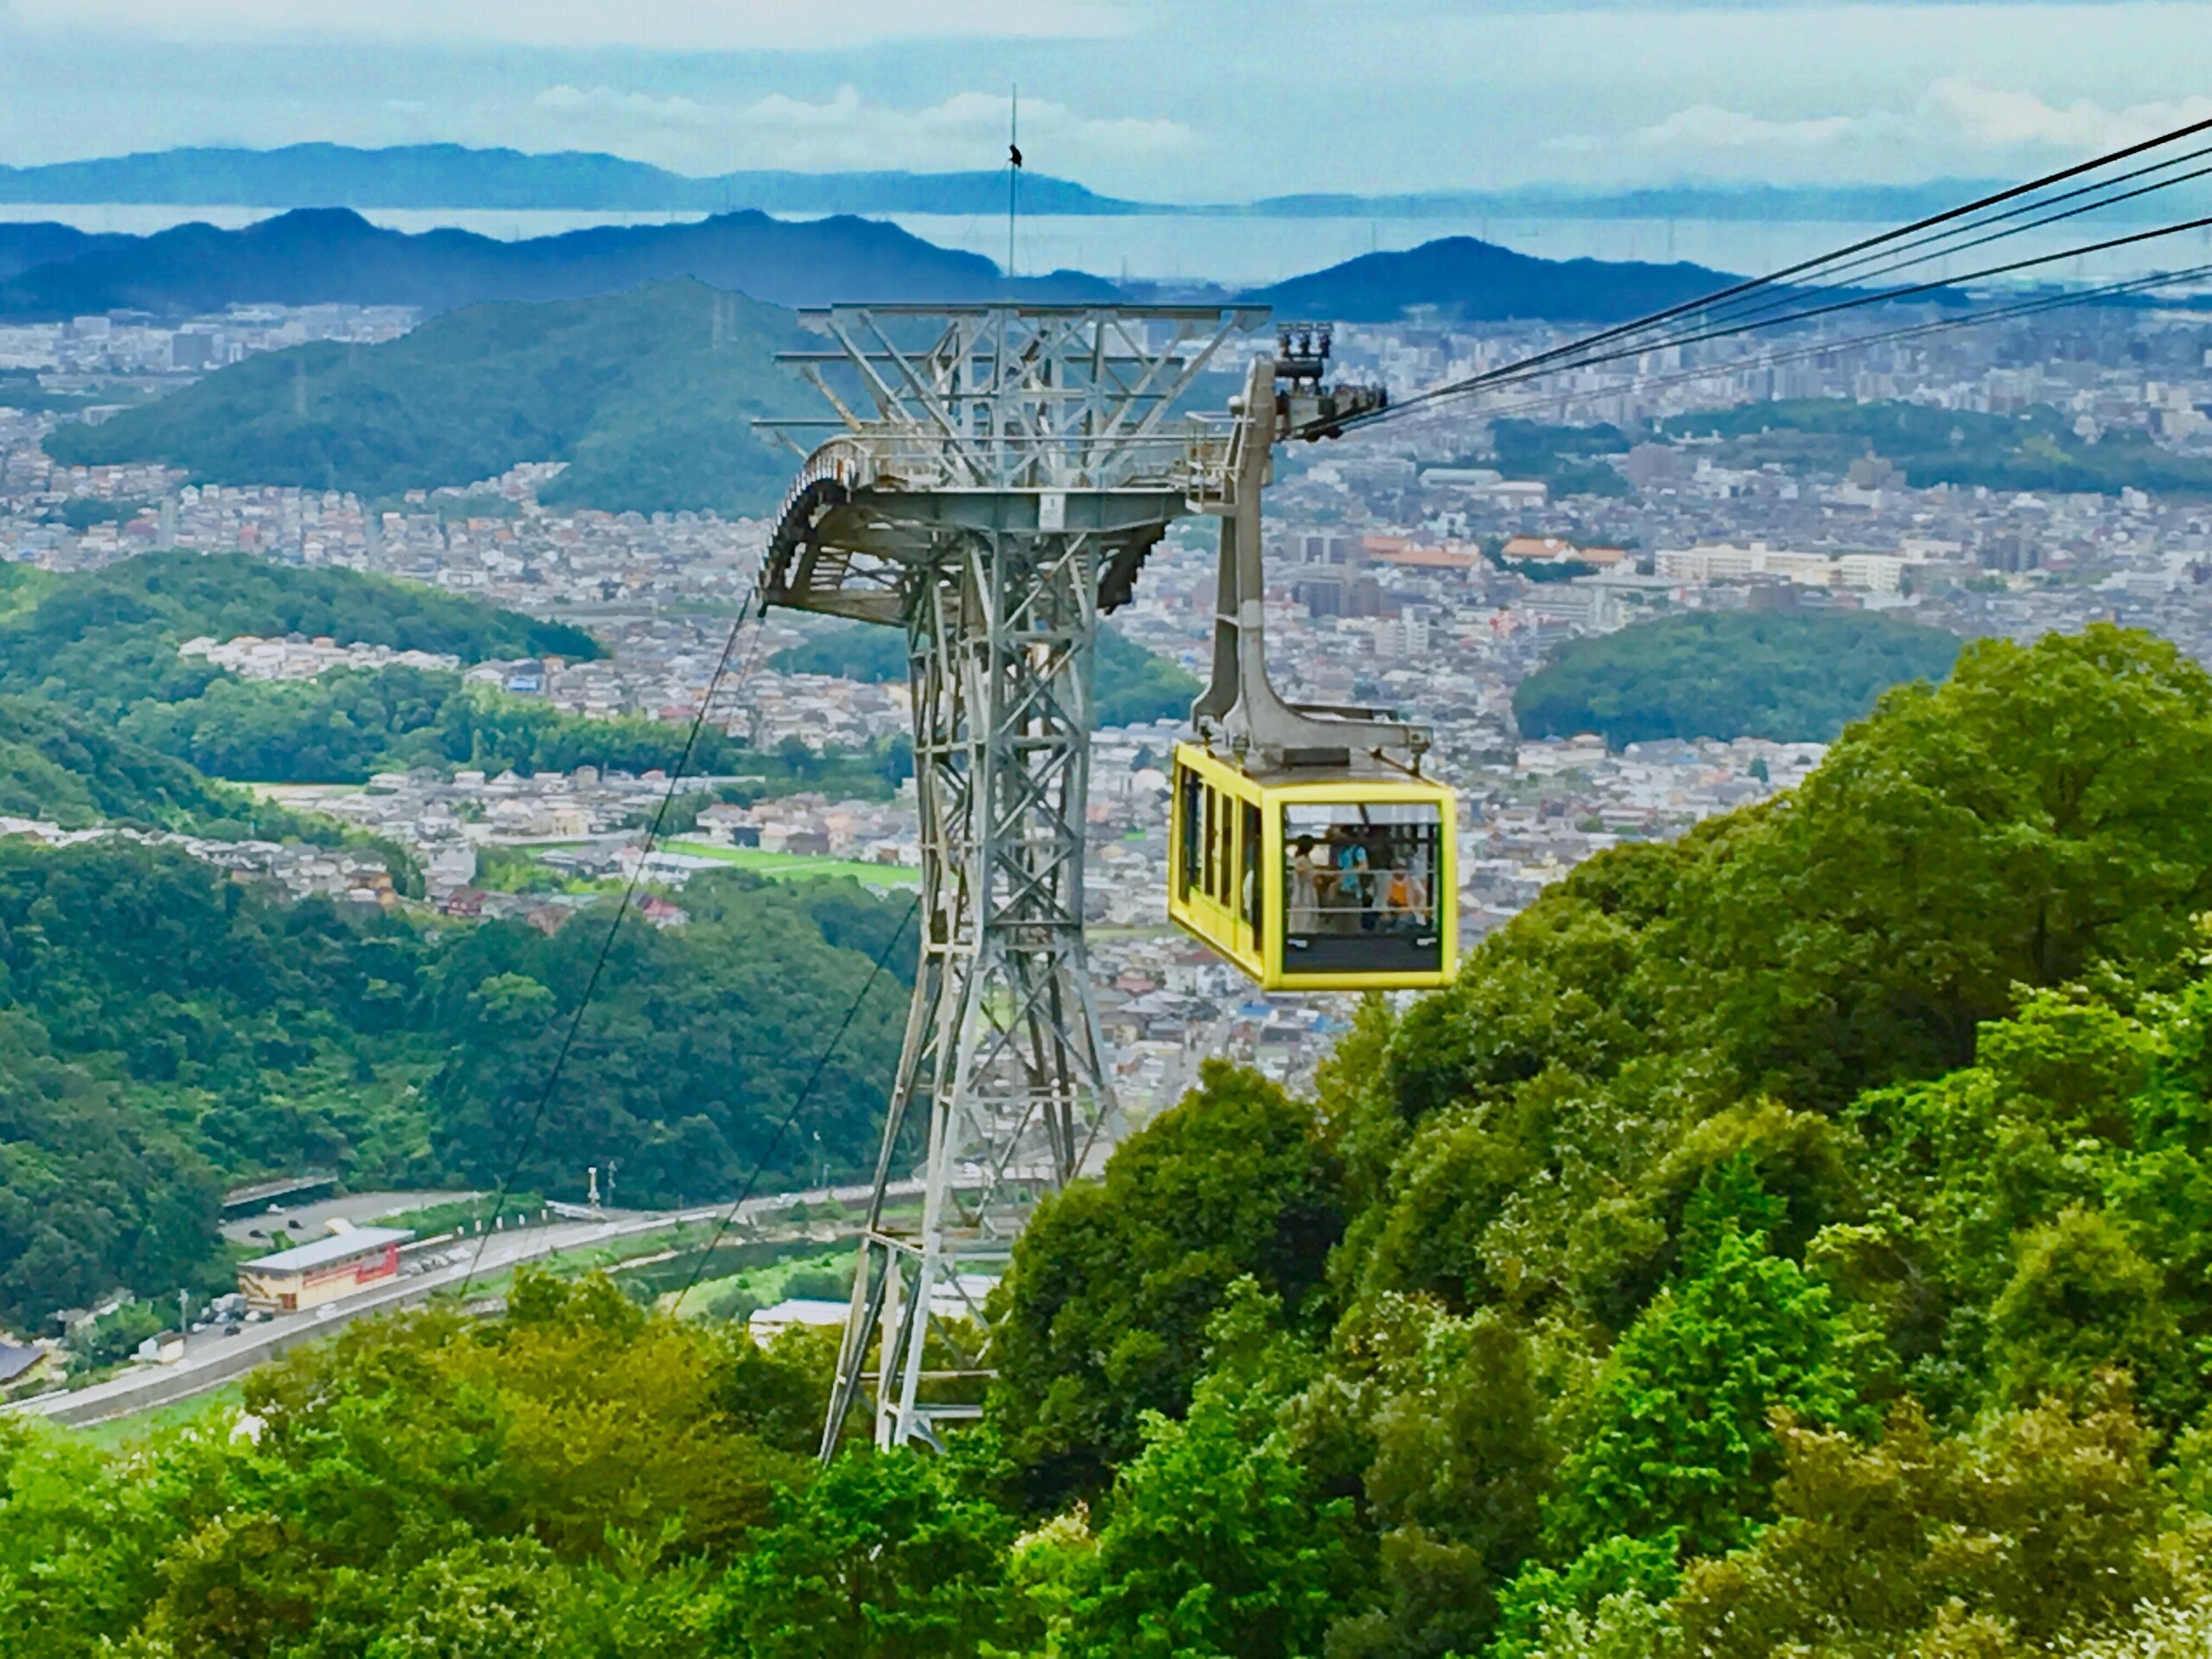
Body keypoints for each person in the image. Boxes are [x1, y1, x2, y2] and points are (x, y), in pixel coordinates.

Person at [1287, 835, 1324, 936]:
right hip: (1303, 892)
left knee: (1308, 917)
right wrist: (1314, 872)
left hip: (1309, 890)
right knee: (1303, 918)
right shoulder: (1301, 859)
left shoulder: (1306, 859)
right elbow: (1299, 870)